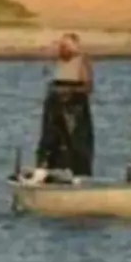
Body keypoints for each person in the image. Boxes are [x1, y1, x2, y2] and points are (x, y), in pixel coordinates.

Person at [35, 33, 95, 177]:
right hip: (55, 105)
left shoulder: (82, 60)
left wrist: (69, 92)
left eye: (66, 46)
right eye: (61, 46)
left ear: (74, 47)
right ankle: (46, 169)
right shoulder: (56, 61)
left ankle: (78, 173)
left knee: (76, 144)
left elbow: (88, 87)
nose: (62, 49)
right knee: (50, 140)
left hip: (74, 107)